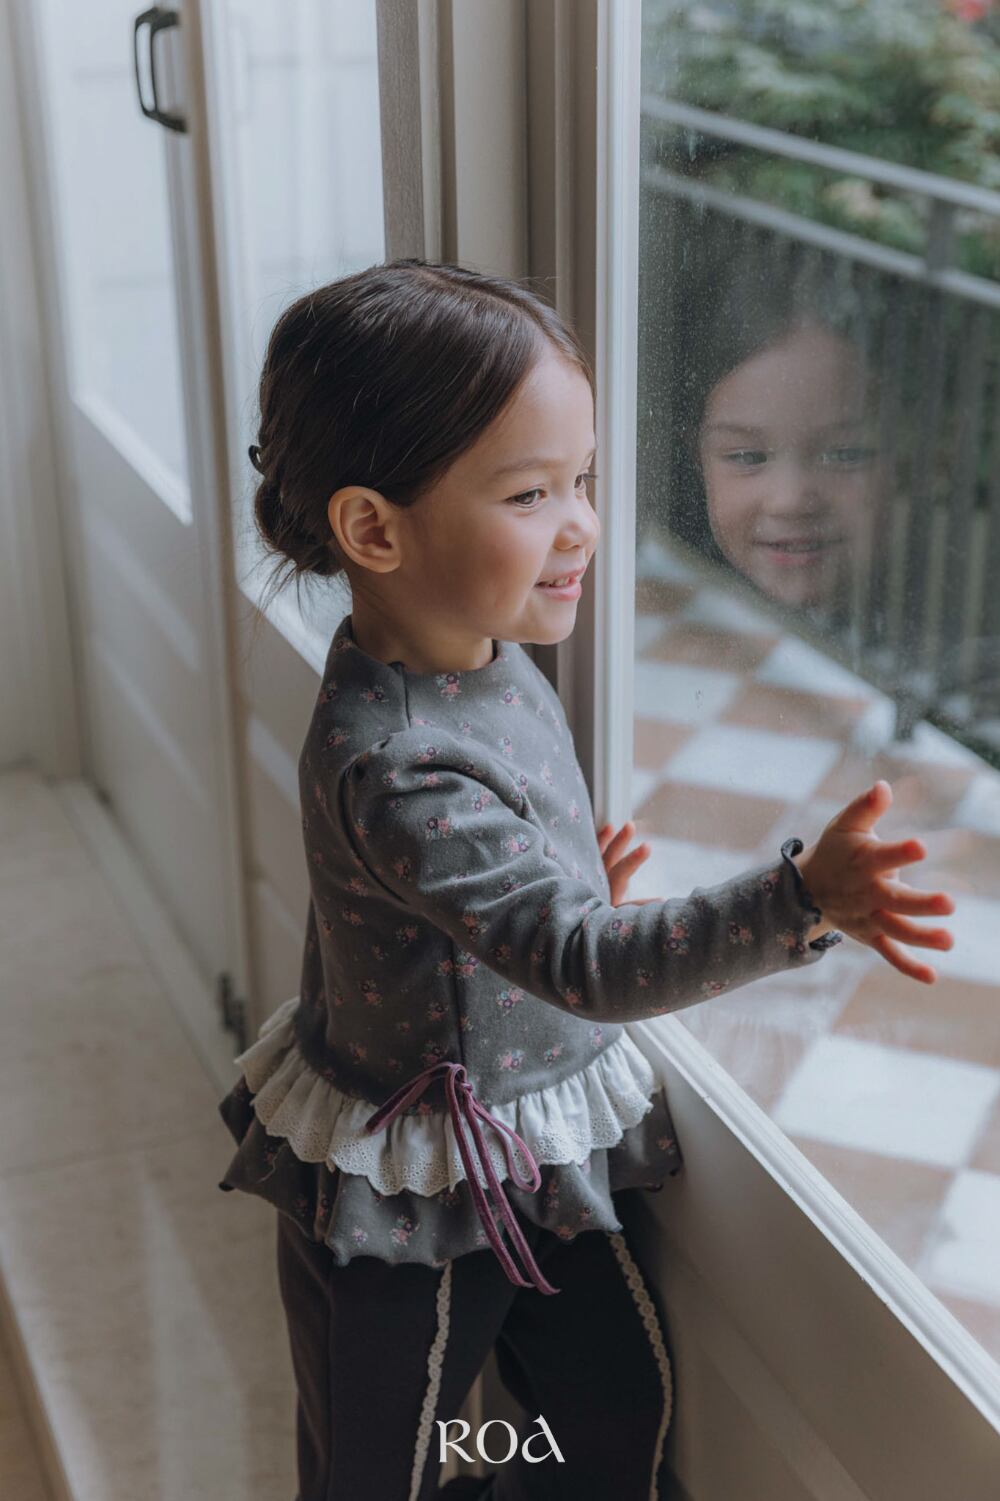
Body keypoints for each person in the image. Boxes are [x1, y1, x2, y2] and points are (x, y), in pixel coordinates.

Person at [215, 259, 955, 1501]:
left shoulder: (475, 651)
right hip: (421, 1174)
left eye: (584, 480)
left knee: (613, 1404)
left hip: (534, 1138)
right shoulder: (399, 758)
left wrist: (550, 877)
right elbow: (583, 963)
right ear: (375, 531)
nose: (581, 526)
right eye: (530, 493)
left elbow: (472, 900)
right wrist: (797, 901)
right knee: (384, 1454)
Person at [648, 248, 887, 616]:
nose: (790, 500)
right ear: (697, 456)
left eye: (843, 454)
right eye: (748, 457)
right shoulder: (650, 602)